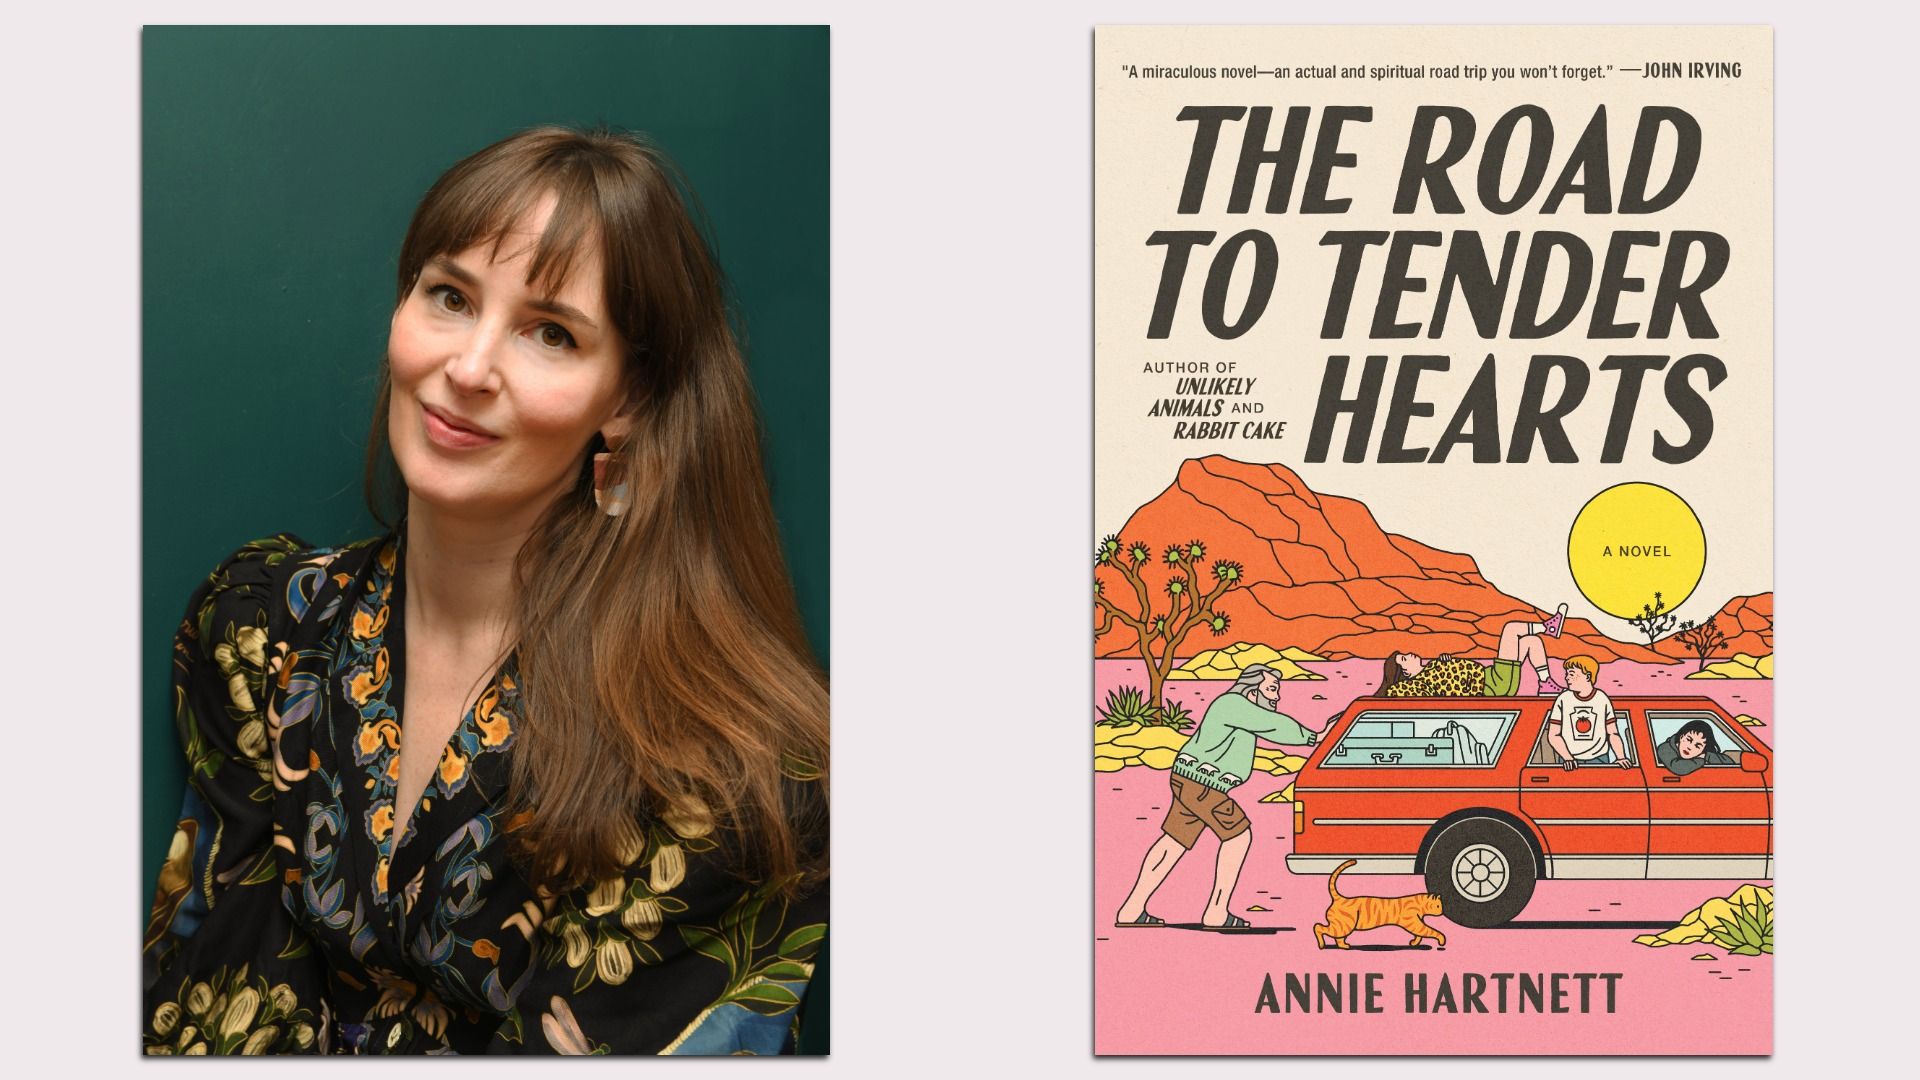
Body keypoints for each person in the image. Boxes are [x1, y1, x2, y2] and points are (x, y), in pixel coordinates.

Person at [142, 127, 829, 1055]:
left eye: (551, 333)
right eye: (451, 297)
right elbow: (217, 1005)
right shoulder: (264, 629)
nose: (467, 370)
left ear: (626, 400)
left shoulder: (722, 769)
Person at [1113, 663, 1317, 931]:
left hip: (1189, 781)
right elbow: (1274, 726)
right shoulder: (1233, 704)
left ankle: (1131, 909)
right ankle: (1217, 912)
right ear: (1252, 691)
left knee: (1173, 842)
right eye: (1271, 689)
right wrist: (1313, 737)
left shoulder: (1238, 709)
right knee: (1238, 835)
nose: (1276, 697)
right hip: (1203, 785)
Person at [1378, 604, 1569, 697]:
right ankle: (1548, 628)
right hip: (1491, 683)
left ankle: (1545, 683)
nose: (1409, 654)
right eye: (1404, 659)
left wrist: (1446, 663)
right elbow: (1397, 691)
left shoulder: (1431, 668)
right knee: (1511, 629)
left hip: (1496, 682)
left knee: (1530, 641)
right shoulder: (1419, 684)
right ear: (1405, 672)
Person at [1544, 655, 1629, 769]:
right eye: (1567, 674)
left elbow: (1612, 733)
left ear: (1588, 676)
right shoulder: (1563, 699)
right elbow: (1553, 734)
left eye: (1571, 674)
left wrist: (1621, 757)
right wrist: (1567, 757)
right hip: (1568, 760)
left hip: (1599, 759)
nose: (1567, 678)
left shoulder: (1602, 698)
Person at [1657, 719, 1736, 776]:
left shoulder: (1703, 754)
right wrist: (1701, 759)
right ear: (1681, 736)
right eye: (1689, 740)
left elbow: (1729, 764)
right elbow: (1678, 767)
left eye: (1697, 746)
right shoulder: (1665, 748)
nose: (1690, 747)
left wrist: (1706, 756)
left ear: (1703, 750)